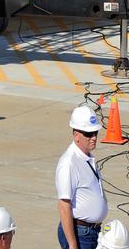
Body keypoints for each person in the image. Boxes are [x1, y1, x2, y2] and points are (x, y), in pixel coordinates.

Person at [56, 105, 108, 249]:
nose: (94, 138)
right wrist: (73, 245)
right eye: (88, 134)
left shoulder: (86, 157)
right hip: (80, 234)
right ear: (76, 135)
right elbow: (63, 206)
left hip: (91, 232)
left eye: (95, 132)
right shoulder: (69, 163)